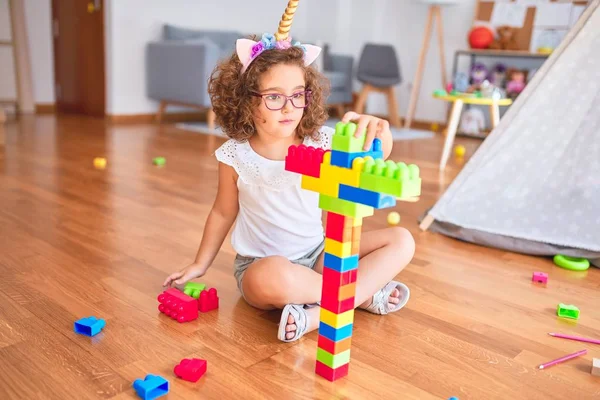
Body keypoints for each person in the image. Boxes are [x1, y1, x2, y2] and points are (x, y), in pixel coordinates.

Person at [163, 7, 415, 342]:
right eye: (274, 97)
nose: (288, 107)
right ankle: (361, 296)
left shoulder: (321, 141)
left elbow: (371, 157)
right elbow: (223, 211)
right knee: (271, 275)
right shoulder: (235, 155)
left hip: (319, 256)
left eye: (297, 95)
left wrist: (380, 134)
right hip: (261, 266)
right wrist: (200, 263)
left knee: (401, 240)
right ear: (244, 101)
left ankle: (317, 315)